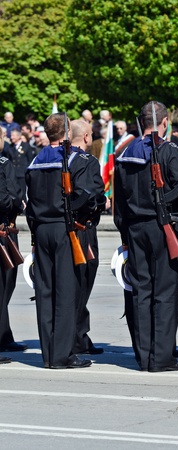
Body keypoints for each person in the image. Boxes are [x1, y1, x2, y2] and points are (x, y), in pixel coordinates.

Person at [114, 100, 178, 372]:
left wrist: (124, 233)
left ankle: (145, 354)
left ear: (140, 121)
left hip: (135, 228)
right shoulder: (168, 150)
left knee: (141, 291)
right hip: (163, 226)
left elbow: (119, 201)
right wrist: (177, 208)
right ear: (165, 121)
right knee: (166, 292)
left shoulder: (125, 154)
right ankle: (162, 357)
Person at [25, 112, 100, 369]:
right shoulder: (75, 159)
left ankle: (48, 354)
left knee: (45, 293)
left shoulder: (35, 161)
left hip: (41, 230)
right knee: (66, 293)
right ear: (68, 133)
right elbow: (88, 196)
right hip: (65, 229)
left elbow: (29, 204)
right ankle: (63, 355)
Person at [70, 119, 109, 355]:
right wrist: (100, 204)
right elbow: (93, 194)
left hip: (61, 227)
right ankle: (78, 337)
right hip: (83, 229)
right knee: (82, 281)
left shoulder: (58, 157)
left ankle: (77, 335)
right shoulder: (87, 161)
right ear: (86, 137)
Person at [0, 126, 27, 359]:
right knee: (5, 285)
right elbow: (10, 197)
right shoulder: (3, 163)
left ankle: (4, 334)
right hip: (3, 230)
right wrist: (18, 204)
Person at [7, 129, 33, 202]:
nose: (11, 137)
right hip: (13, 174)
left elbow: (30, 159)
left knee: (23, 191)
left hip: (22, 173)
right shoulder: (10, 147)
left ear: (19, 136)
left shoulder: (26, 146)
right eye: (11, 135)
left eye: (13, 136)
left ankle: (24, 209)